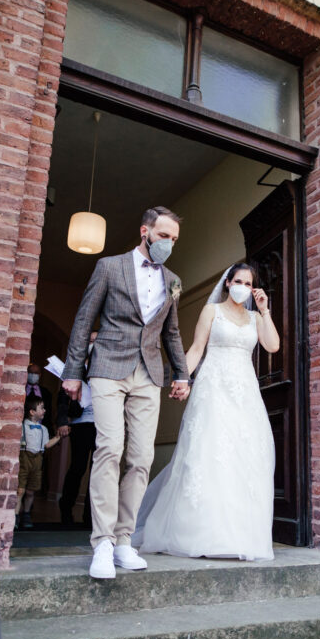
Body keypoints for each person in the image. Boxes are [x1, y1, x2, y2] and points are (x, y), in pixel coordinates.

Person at [61, 206, 191, 579]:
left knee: (140, 458)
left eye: (175, 239)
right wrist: (73, 372)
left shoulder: (175, 281)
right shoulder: (109, 266)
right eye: (164, 236)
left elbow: (171, 332)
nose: (169, 244)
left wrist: (181, 374)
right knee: (109, 448)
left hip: (148, 374)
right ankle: (101, 542)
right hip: (107, 368)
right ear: (145, 231)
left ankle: (123, 541)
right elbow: (85, 318)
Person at [132, 262, 279, 560]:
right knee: (208, 453)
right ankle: (200, 532)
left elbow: (272, 345)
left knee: (244, 457)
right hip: (214, 388)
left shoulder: (254, 317)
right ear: (228, 282)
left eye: (249, 284)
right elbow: (197, 348)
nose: (243, 287)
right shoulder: (211, 311)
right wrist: (181, 378)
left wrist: (265, 310)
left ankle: (236, 535)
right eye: (238, 280)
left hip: (245, 393)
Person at [57, 331, 98, 527]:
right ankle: (65, 509)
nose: (93, 344)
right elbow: (63, 398)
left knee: (98, 471)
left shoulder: (107, 367)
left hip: (102, 425)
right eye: (90, 341)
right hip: (81, 424)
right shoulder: (76, 368)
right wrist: (63, 421)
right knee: (78, 467)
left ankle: (91, 517)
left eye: (96, 341)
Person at [15, 397, 60, 530]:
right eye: (41, 408)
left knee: (31, 490)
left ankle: (27, 514)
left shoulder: (44, 429)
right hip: (24, 458)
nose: (44, 410)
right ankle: (16, 514)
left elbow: (46, 444)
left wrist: (57, 437)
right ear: (32, 412)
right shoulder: (22, 426)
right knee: (20, 490)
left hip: (37, 460)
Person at [24, 362, 53, 434]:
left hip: (41, 430)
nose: (33, 375)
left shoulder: (46, 393)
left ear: (40, 375)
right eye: (30, 372)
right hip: (24, 429)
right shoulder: (21, 390)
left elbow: (48, 413)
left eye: (36, 373)